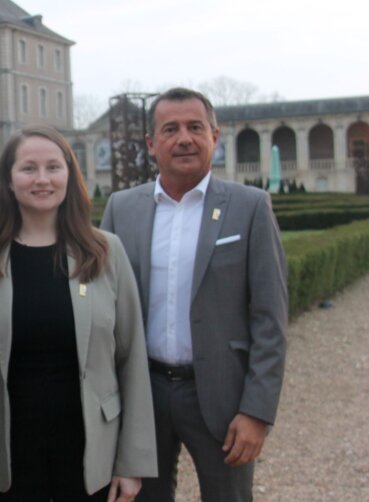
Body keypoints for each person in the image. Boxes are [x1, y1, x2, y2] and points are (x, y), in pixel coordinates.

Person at [100, 87, 288, 502]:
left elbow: (270, 318)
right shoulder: (121, 208)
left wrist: (257, 411)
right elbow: (103, 309)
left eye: (194, 127)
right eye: (170, 129)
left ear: (214, 137)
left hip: (221, 395)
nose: (184, 138)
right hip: (142, 394)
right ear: (151, 144)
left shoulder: (250, 207)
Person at [0, 126, 157, 502]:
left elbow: (131, 359)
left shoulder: (105, 250)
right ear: (8, 180)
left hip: (92, 447)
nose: (42, 179)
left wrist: (132, 462)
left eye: (53, 167)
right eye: (28, 168)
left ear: (70, 175)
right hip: (5, 450)